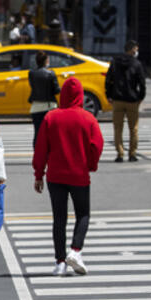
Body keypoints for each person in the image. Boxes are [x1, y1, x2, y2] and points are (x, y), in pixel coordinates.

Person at [33, 77, 104, 276]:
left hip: (55, 176)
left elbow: (40, 149)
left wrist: (39, 174)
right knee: (83, 214)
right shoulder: (88, 118)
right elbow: (96, 145)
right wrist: (90, 164)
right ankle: (76, 250)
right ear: (80, 95)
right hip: (79, 174)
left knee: (59, 218)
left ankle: (60, 262)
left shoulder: (51, 117)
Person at [105, 39, 146, 162]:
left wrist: (109, 95)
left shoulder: (115, 62)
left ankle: (120, 154)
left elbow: (108, 80)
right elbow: (142, 83)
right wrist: (140, 97)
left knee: (118, 128)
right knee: (133, 128)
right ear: (132, 49)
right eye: (136, 49)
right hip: (132, 100)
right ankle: (132, 154)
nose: (137, 51)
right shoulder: (137, 64)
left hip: (117, 99)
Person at [28, 50, 60, 148]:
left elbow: (33, 86)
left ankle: (37, 153)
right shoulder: (51, 73)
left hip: (36, 107)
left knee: (37, 133)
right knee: (52, 133)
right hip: (50, 106)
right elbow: (56, 90)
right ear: (46, 60)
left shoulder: (31, 73)